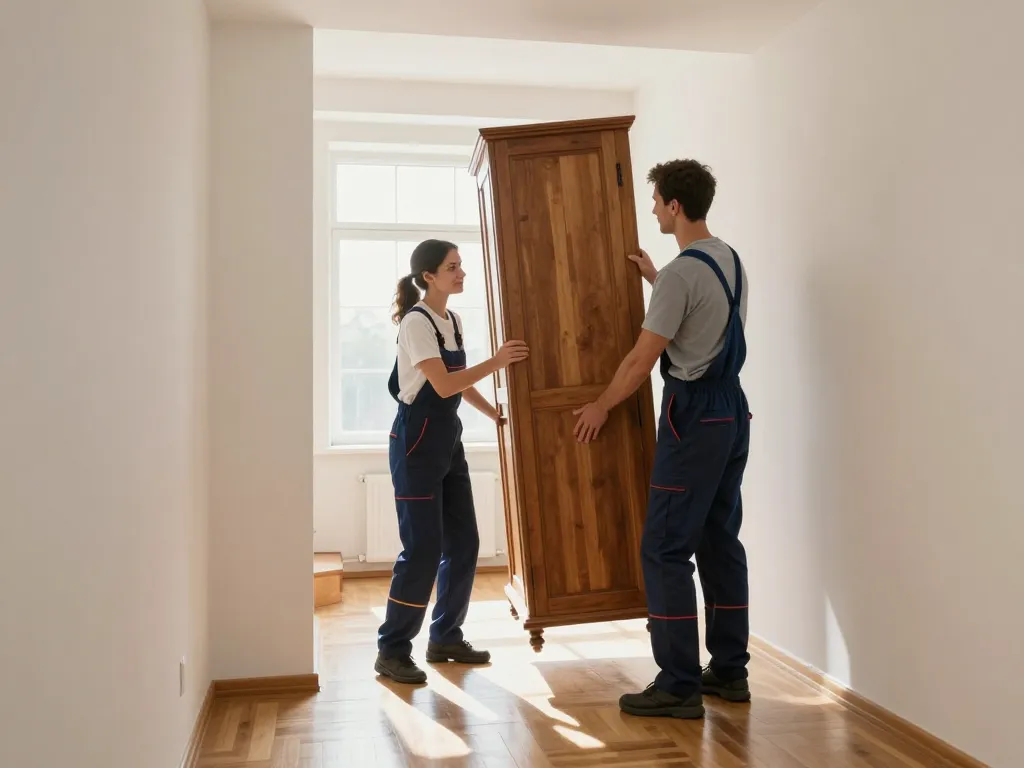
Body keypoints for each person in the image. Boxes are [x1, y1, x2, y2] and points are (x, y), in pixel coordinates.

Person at [572, 159, 752, 718]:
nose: (651, 209)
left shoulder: (680, 274)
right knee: (720, 539)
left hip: (692, 415)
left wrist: (602, 404)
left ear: (674, 205)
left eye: (654, 201)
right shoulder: (727, 259)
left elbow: (641, 358)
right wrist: (656, 279)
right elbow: (706, 318)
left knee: (665, 548)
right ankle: (728, 671)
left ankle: (677, 685)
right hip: (732, 409)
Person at [375, 238, 529, 685]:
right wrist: (497, 362)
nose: (461, 274)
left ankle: (444, 637)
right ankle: (392, 649)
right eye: (452, 267)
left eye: (461, 266)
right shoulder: (416, 322)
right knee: (422, 551)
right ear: (429, 276)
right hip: (415, 442)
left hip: (447, 440)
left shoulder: (453, 320)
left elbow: (457, 383)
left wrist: (494, 414)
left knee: (464, 543)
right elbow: (442, 385)